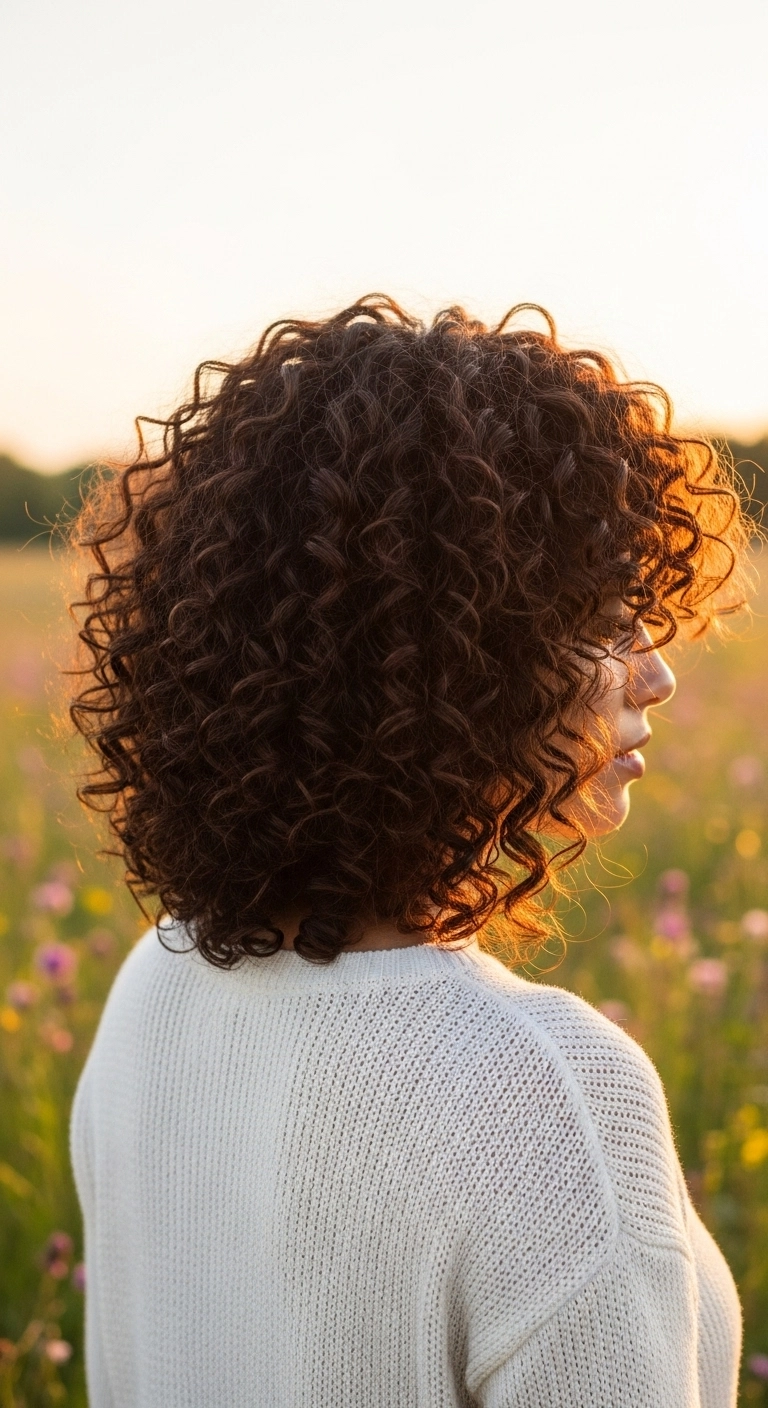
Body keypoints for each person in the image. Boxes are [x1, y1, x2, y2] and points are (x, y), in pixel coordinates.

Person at [68, 295, 749, 1407]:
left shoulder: (161, 977)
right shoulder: (551, 1101)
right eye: (603, 622)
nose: (655, 674)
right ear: (457, 665)